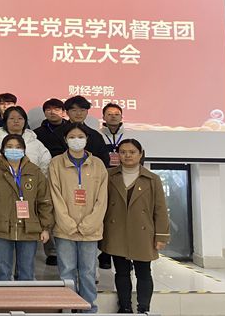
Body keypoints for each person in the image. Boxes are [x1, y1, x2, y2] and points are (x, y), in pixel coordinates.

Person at [101, 139, 170, 314]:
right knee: (121, 273)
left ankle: (143, 308)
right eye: (123, 152)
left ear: (140, 154)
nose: (127, 155)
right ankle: (125, 307)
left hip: (143, 233)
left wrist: (161, 235)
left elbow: (160, 209)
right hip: (116, 231)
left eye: (132, 152)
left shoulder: (152, 179)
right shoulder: (109, 176)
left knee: (143, 273)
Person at [49, 123, 108, 313]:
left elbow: (102, 199)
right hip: (65, 229)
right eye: (72, 137)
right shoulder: (56, 163)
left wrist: (89, 224)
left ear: (87, 139)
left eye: (80, 136)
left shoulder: (98, 164)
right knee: (66, 271)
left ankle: (89, 309)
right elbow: (55, 195)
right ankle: (69, 308)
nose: (76, 140)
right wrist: (67, 222)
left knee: (88, 272)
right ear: (65, 139)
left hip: (91, 230)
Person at [0, 134, 53, 281]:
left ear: (24, 149)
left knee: (27, 272)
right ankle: (6, 296)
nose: (14, 150)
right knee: (3, 272)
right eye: (9, 147)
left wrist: (45, 228)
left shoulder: (35, 171)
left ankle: (24, 297)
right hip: (1, 228)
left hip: (29, 228)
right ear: (3, 149)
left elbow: (44, 201)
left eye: (18, 147)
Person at [0, 106, 52, 175]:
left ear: (25, 121)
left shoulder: (35, 143)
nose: (16, 121)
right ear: (5, 121)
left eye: (20, 118)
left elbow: (45, 164)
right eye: (11, 118)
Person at [57, 95, 110, 167]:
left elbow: (103, 159)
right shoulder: (57, 133)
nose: (79, 113)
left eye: (82, 110)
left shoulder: (95, 135)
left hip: (91, 172)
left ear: (87, 112)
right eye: (74, 110)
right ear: (67, 113)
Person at [99, 103, 125, 167]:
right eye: (109, 114)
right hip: (102, 171)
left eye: (117, 114)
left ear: (121, 117)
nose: (113, 116)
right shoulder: (97, 135)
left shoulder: (131, 135)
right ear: (103, 117)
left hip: (125, 171)